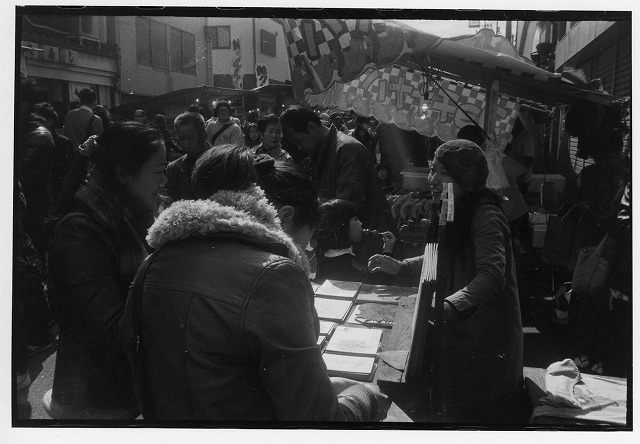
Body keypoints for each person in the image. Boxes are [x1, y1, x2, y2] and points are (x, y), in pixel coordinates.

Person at [121, 145, 389, 421]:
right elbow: (319, 420)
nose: (301, 253)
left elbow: (218, 377)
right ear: (283, 217)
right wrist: (362, 397)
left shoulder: (154, 262)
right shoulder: (275, 275)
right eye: (302, 243)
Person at [368, 139, 523, 423]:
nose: (432, 180)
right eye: (432, 170)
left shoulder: (486, 214)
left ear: (466, 177)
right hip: (460, 329)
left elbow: (491, 274)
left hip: (486, 333)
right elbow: (443, 255)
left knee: (481, 415)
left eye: (443, 173)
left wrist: (450, 305)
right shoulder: (453, 207)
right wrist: (402, 266)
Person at [43, 121, 167, 419]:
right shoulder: (80, 232)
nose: (165, 180)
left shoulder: (131, 215)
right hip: (94, 400)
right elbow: (110, 331)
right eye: (160, 171)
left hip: (124, 389)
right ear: (122, 174)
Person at [281, 106, 394, 233]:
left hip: (370, 235)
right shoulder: (320, 153)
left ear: (311, 127)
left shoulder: (347, 150)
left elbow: (347, 205)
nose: (299, 147)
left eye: (299, 141)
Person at [315, 199, 395, 284]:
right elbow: (381, 284)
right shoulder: (345, 265)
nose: (360, 223)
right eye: (355, 219)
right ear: (343, 225)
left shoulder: (327, 258)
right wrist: (388, 251)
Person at [32, 102, 76, 203]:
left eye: (38, 120)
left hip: (57, 195)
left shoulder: (63, 143)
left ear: (49, 122)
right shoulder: (34, 140)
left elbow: (68, 173)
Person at [164, 111, 212, 202]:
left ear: (203, 135)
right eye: (181, 139)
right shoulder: (173, 168)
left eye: (190, 138)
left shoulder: (221, 162)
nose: (186, 145)